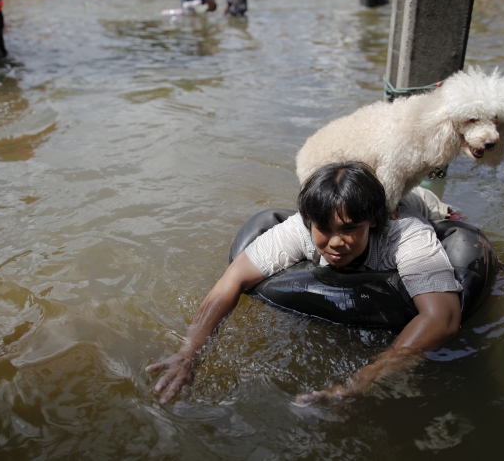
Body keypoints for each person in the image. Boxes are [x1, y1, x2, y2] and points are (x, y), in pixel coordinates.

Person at [146, 161, 461, 404]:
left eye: (350, 229)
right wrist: (189, 353)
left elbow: (441, 319)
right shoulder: (299, 229)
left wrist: (360, 382)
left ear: (373, 222)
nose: (336, 242)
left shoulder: (405, 234)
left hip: (426, 209)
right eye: (324, 228)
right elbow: (233, 279)